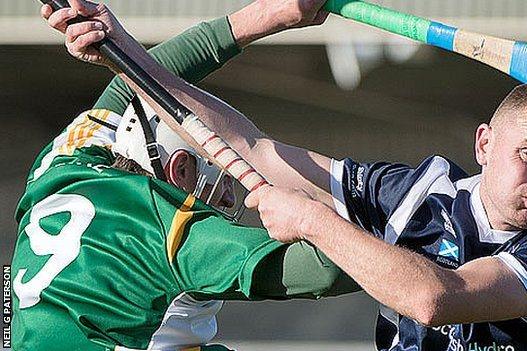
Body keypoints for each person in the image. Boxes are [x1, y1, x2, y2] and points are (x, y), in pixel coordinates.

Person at [50, 0, 527, 350]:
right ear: (484, 143)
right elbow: (255, 152)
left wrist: (122, 49)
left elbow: (435, 299)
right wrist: (120, 50)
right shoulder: (417, 196)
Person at [11, 1, 355, 350]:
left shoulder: (62, 169)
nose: (231, 199)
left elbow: (127, 87)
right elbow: (323, 269)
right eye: (226, 180)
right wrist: (388, 208)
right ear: (180, 168)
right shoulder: (169, 230)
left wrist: (272, 14)